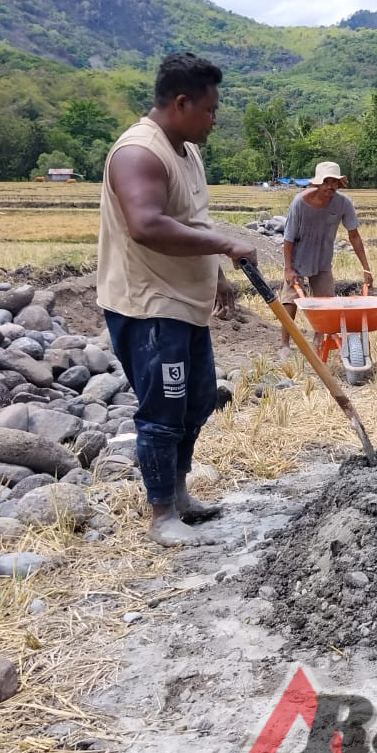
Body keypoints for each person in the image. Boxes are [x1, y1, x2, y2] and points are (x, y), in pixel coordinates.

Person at [97, 52, 258, 548]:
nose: (214, 120)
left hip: (184, 302)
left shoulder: (187, 149)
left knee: (199, 400)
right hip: (150, 307)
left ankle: (181, 494)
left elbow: (192, 220)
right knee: (163, 410)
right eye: (209, 111)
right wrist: (225, 245)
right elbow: (146, 225)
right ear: (182, 102)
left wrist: (216, 275)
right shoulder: (139, 153)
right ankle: (161, 514)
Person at [279, 161, 373, 351]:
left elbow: (354, 235)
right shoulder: (299, 203)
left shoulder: (343, 203)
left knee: (326, 304)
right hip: (298, 258)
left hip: (323, 260)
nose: (330, 186)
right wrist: (288, 269)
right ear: (318, 183)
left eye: (334, 182)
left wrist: (366, 268)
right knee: (290, 300)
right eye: (326, 181)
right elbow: (288, 239)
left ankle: (319, 340)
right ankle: (284, 345)